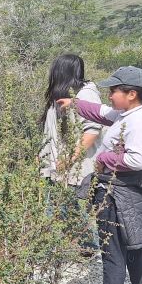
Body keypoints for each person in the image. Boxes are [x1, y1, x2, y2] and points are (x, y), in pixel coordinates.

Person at [57, 66, 142, 284]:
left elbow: (136, 159)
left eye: (114, 91)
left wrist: (103, 158)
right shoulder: (130, 113)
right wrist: (74, 103)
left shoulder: (137, 121)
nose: (109, 95)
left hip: (116, 193)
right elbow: (99, 113)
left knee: (112, 251)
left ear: (131, 94)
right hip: (129, 194)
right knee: (134, 249)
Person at [38, 54, 103, 188]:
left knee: (64, 207)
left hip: (75, 176)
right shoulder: (60, 95)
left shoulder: (85, 94)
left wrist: (69, 159)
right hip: (58, 172)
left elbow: (92, 130)